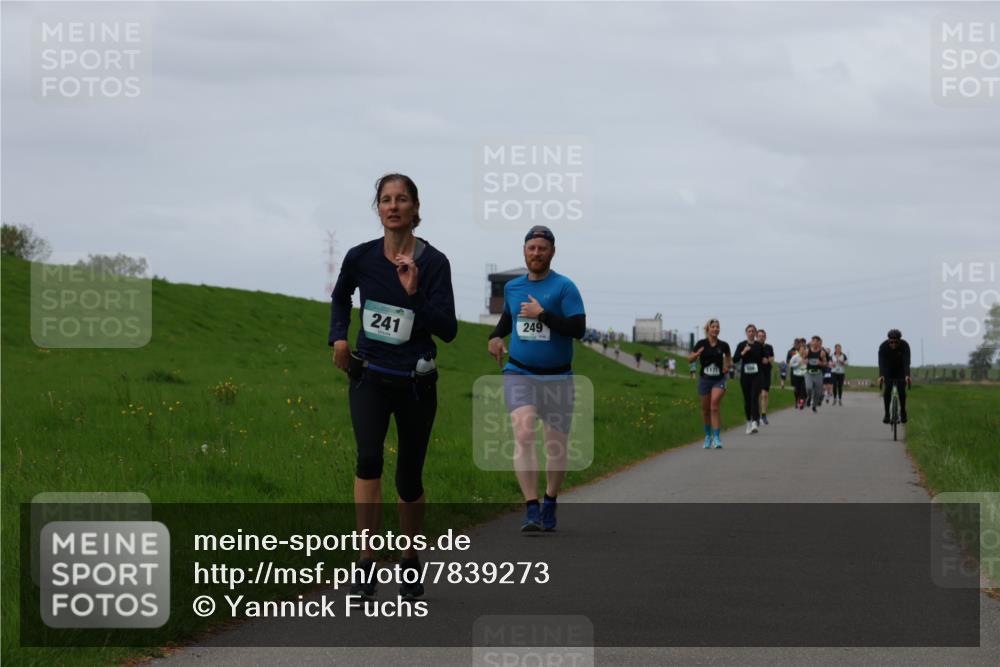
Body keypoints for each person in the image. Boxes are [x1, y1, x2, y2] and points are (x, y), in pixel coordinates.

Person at [329, 173, 457, 601]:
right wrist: (339, 338)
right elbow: (340, 297)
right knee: (368, 460)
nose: (393, 206)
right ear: (378, 208)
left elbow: (449, 330)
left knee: (408, 478)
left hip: (415, 383)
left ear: (415, 208)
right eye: (386, 199)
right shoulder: (361, 257)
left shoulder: (435, 263)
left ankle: (409, 557)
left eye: (402, 199)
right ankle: (366, 562)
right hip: (370, 375)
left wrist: (415, 293)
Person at [487, 225, 586, 532]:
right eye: (531, 248)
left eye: (542, 248)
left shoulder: (565, 287)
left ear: (552, 252)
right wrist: (494, 337)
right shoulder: (513, 288)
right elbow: (509, 318)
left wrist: (543, 315)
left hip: (558, 377)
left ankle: (550, 499)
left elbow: (578, 329)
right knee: (524, 432)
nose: (536, 253)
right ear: (524, 251)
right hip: (519, 372)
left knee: (556, 447)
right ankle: (531, 507)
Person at [689, 318, 731, 449]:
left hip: (719, 379)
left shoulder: (723, 345)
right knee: (706, 410)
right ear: (708, 329)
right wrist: (697, 354)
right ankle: (708, 436)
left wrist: (727, 366)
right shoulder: (701, 343)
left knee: (714, 406)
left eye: (717, 327)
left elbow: (728, 358)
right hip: (705, 380)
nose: (716, 329)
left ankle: (717, 438)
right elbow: (689, 359)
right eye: (713, 327)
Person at [733, 323, 765, 434]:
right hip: (745, 376)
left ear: (755, 333)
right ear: (746, 333)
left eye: (753, 331)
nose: (751, 333)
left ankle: (755, 422)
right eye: (749, 331)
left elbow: (764, 358)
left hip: (757, 375)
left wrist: (765, 360)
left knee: (754, 397)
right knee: (747, 400)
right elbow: (735, 359)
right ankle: (748, 422)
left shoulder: (759, 345)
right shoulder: (741, 345)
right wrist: (744, 351)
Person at [878, 329, 911, 423]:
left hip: (901, 370)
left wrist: (907, 375)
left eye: (896, 342)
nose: (893, 344)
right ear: (888, 340)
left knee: (901, 391)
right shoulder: (883, 346)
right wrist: (881, 375)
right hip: (888, 370)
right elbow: (881, 363)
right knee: (887, 391)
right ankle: (887, 414)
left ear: (899, 341)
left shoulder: (905, 346)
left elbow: (906, 362)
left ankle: (903, 411)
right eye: (891, 342)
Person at [804, 336, 828, 413]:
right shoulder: (807, 351)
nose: (814, 343)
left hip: (818, 374)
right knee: (808, 387)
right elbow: (803, 359)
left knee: (818, 392)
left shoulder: (822, 352)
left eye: (816, 341)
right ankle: (809, 397)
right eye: (813, 341)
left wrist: (821, 363)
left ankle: (814, 406)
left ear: (818, 343)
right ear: (811, 342)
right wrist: (805, 361)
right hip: (809, 373)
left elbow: (825, 363)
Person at [756, 328, 775, 425]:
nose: (761, 338)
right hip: (756, 372)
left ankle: (764, 415)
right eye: (759, 336)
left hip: (766, 372)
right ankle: (757, 415)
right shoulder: (754, 346)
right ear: (756, 337)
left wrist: (768, 360)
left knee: (765, 395)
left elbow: (772, 357)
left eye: (763, 336)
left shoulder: (769, 347)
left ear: (765, 337)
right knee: (758, 395)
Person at [790, 343, 808, 409]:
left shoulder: (807, 357)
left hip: (804, 376)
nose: (802, 351)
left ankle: (801, 403)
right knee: (797, 390)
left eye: (804, 349)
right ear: (799, 350)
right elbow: (790, 365)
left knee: (803, 390)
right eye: (801, 349)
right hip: (796, 375)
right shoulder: (795, 357)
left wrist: (807, 363)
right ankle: (796, 400)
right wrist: (798, 364)